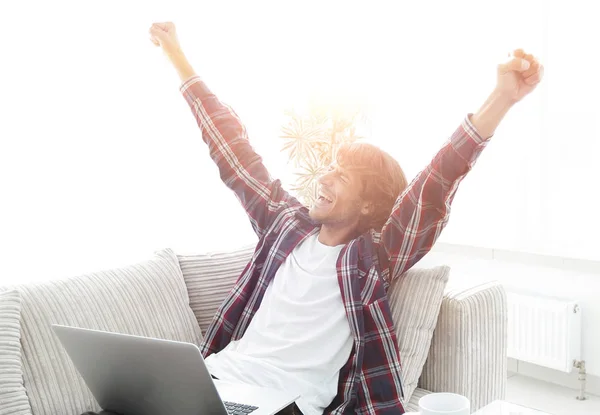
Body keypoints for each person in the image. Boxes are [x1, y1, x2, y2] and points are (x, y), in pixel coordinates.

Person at [144, 22, 543, 415]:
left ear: (369, 206)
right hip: (212, 379)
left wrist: (502, 98)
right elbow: (232, 148)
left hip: (284, 405)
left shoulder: (370, 260)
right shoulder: (283, 225)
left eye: (341, 175)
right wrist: (177, 56)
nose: (325, 178)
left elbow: (436, 183)